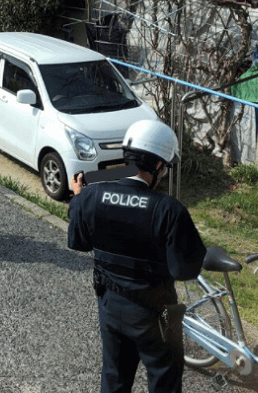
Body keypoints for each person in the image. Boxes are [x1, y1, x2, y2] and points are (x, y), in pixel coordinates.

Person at [67, 119, 206, 393]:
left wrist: (78, 199)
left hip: (111, 306)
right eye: (164, 168)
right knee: (164, 379)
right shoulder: (169, 210)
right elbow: (185, 270)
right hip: (158, 313)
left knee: (114, 377)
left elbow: (79, 242)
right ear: (157, 166)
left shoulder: (90, 196)